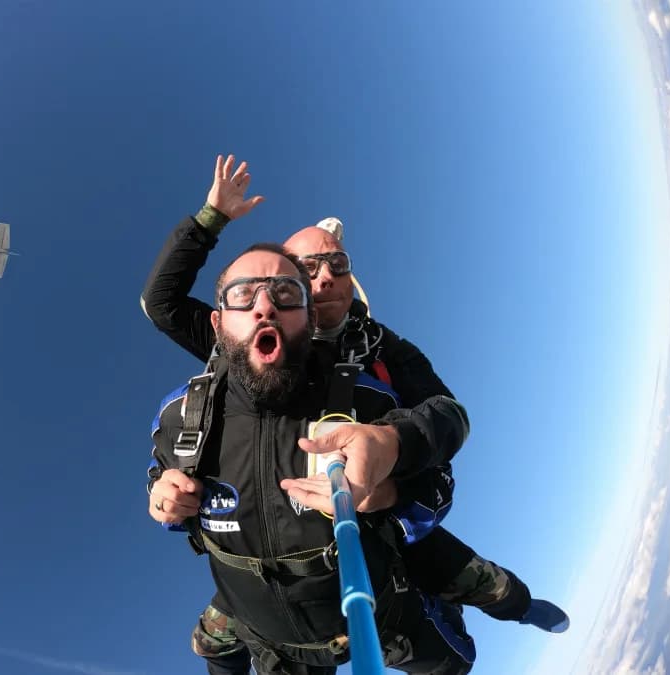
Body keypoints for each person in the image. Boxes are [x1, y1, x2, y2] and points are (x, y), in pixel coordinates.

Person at [141, 156, 569, 673]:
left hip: (378, 508)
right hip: (262, 537)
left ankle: (515, 606)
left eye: (335, 266)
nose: (321, 280)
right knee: (225, 629)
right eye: (303, 272)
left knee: (465, 576)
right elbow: (162, 304)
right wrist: (211, 217)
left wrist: (391, 451)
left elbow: (447, 413)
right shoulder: (242, 344)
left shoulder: (381, 351)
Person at [148, 244, 476, 674]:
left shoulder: (366, 400)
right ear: (217, 321)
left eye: (285, 292)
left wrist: (392, 458)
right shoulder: (182, 417)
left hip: (377, 615)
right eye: (243, 294)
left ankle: (503, 599)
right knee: (214, 649)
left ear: (309, 315)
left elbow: (444, 434)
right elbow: (160, 474)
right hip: (270, 640)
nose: (264, 305)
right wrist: (162, 499)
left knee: (455, 661)